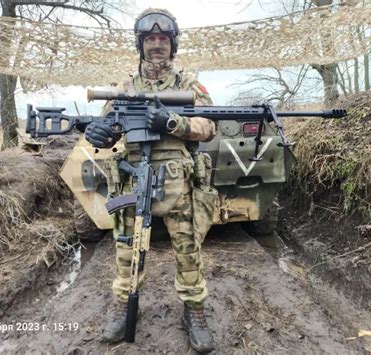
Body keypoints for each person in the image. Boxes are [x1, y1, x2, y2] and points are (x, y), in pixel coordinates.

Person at [84, 8, 217, 353]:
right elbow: (109, 126)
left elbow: (208, 125)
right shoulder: (125, 87)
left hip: (178, 181)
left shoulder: (188, 84)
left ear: (172, 44)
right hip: (133, 180)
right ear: (140, 44)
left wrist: (172, 124)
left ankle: (195, 311)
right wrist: (99, 133)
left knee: (188, 251)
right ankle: (123, 305)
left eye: (163, 39)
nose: (156, 45)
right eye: (150, 39)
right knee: (128, 250)